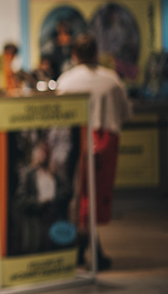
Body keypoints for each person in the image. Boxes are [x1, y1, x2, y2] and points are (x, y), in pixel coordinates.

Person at [56, 32, 132, 270]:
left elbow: (58, 117)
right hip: (107, 141)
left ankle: (80, 249)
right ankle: (90, 249)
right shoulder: (112, 79)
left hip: (77, 142)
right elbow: (125, 113)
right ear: (96, 53)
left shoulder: (66, 81)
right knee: (96, 196)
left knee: (79, 195)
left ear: (74, 54)